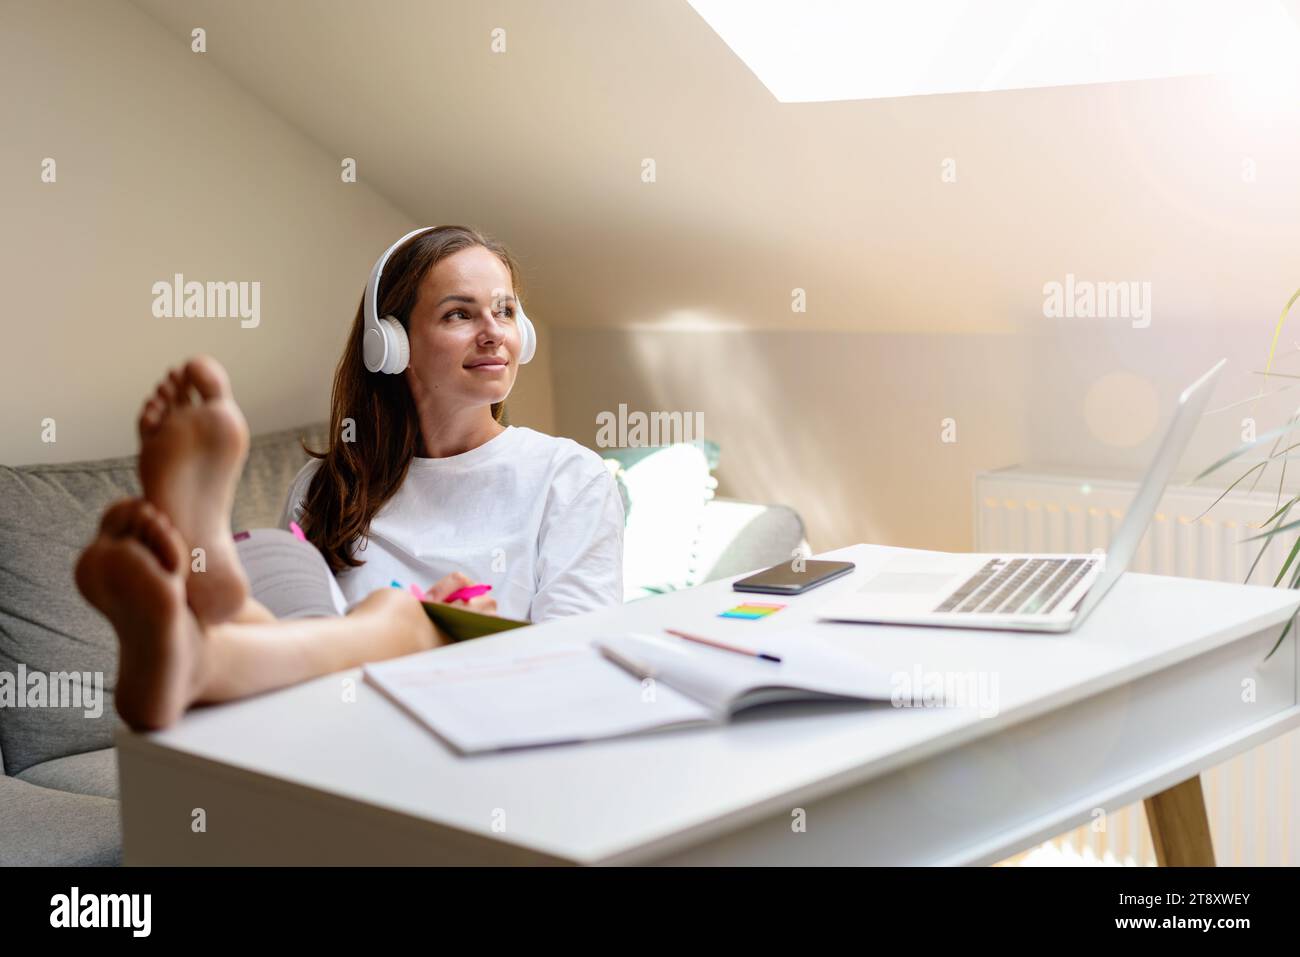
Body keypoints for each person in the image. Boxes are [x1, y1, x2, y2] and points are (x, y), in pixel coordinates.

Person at [75, 226, 624, 730]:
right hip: (325, 725)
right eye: (460, 315)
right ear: (391, 343)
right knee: (284, 573)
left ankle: (213, 634)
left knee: (403, 619)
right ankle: (218, 616)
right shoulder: (326, 484)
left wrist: (443, 637)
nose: (492, 334)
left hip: (474, 725)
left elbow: (575, 668)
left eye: (505, 312)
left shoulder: (569, 478)